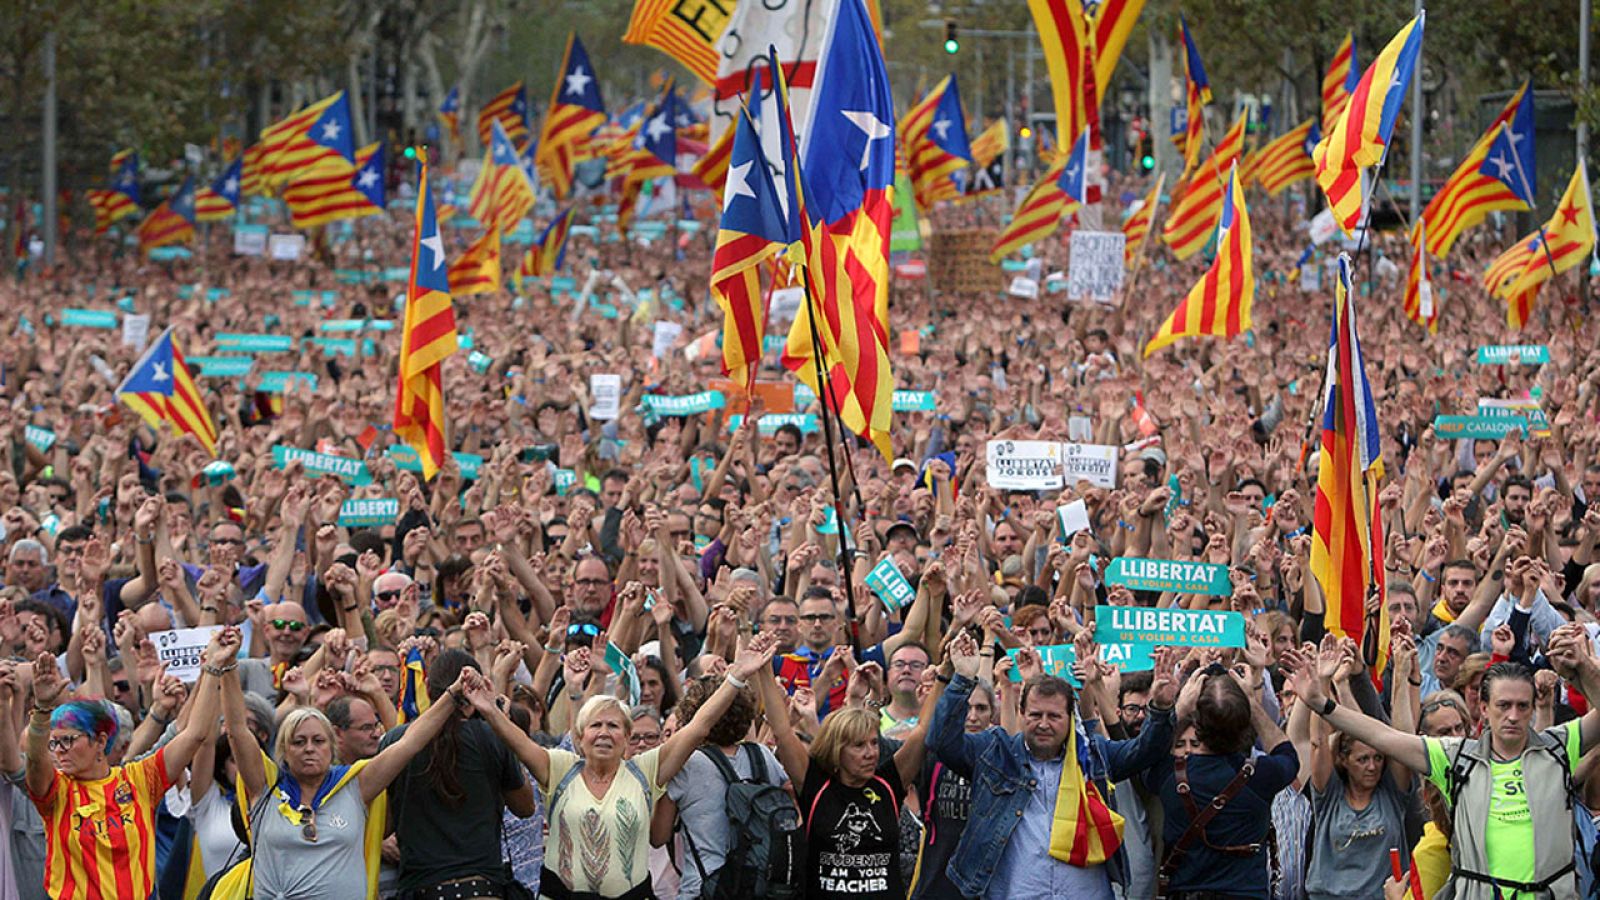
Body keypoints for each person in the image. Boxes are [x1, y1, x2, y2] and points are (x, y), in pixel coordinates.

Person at [1282, 623, 1600, 900]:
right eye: (1504, 705)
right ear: (1484, 709)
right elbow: (1383, 737)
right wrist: (1320, 702)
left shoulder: (1557, 746)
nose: (1513, 716)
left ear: (1533, 709)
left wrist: (1584, 666)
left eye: (1522, 706)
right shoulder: (1456, 757)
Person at [461, 633, 778, 899]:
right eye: (595, 725)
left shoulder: (645, 770)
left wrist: (737, 676)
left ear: (628, 737)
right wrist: (489, 710)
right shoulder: (559, 767)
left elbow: (699, 726)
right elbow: (519, 741)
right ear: (580, 736)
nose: (603, 733)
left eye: (613, 726)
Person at [215, 625, 471, 899]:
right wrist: (229, 666)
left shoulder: (355, 784)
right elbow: (237, 730)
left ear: (332, 745)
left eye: (318, 741)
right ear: (284, 751)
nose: (309, 749)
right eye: (299, 742)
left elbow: (409, 743)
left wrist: (452, 697)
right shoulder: (265, 786)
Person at [925, 632, 1178, 899]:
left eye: (1054, 716)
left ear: (1070, 717)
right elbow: (941, 743)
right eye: (1035, 715)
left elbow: (1145, 751)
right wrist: (962, 679)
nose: (1044, 724)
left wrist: (1161, 707)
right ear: (1022, 714)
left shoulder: (1093, 755)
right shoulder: (996, 752)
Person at [21, 636, 220, 900]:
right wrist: (43, 709)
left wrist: (214, 669)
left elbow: (194, 734)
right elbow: (34, 761)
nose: (58, 750)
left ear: (101, 741)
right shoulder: (57, 790)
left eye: (68, 740)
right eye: (54, 743)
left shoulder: (139, 778)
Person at [1141, 662, 1298, 899]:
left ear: (1198, 725)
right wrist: (1252, 703)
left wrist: (1179, 710)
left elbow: (1144, 753)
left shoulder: (1167, 774)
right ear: (1244, 722)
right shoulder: (1261, 775)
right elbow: (1288, 755)